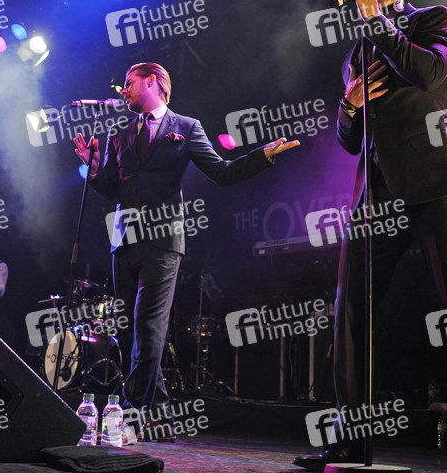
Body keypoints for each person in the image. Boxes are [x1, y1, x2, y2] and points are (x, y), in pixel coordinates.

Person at [292, 0, 447, 473]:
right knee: (351, 309)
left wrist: (379, 22)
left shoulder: (433, 19)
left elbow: (431, 77)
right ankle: (351, 439)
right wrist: (347, 106)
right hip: (377, 193)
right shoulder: (356, 53)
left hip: (433, 182)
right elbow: (349, 141)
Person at [74, 62, 299, 442]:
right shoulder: (120, 132)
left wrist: (262, 155)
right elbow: (114, 189)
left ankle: (130, 418)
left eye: (129, 83)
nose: (123, 90)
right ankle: (162, 419)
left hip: (163, 243)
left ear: (152, 81)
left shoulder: (186, 127)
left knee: (149, 328)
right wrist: (95, 170)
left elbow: (222, 172)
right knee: (131, 333)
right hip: (124, 242)